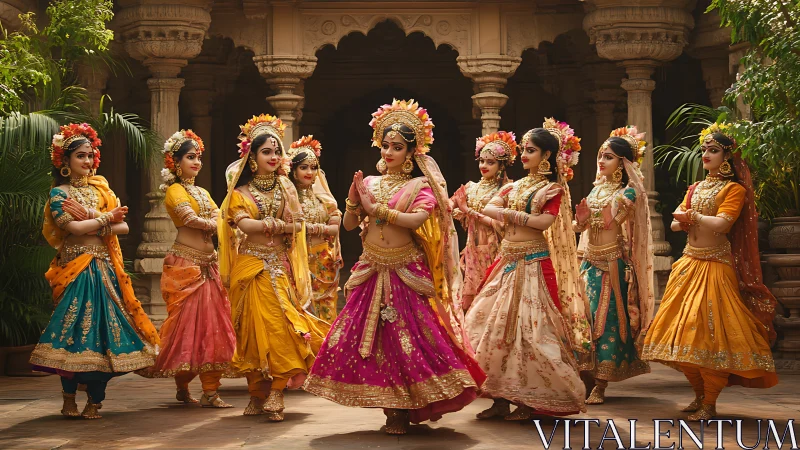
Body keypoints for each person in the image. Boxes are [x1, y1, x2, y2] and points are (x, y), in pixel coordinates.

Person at [303, 99, 486, 435]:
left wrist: (377, 210)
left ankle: (406, 404)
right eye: (384, 145)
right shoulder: (370, 182)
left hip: (406, 270)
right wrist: (353, 202)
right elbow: (347, 225)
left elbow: (417, 219)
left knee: (409, 340)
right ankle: (392, 409)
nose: (388, 152)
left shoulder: (420, 186)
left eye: (397, 147)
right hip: (371, 267)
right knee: (373, 342)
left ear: (412, 152)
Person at [642, 123, 778, 420]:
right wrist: (689, 218)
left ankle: (710, 402)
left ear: (727, 157)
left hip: (715, 267)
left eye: (713, 150)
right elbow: (676, 223)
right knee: (682, 333)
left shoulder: (734, 189)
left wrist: (693, 217)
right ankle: (699, 394)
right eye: (704, 149)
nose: (706, 154)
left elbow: (722, 225)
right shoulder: (695, 188)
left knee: (711, 335)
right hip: (689, 263)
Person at [31, 123, 159, 419]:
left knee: (106, 336)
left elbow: (124, 226)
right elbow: (72, 228)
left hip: (104, 271)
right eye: (80, 156)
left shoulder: (101, 189)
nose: (87, 162)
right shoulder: (59, 193)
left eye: (90, 156)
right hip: (75, 271)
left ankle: (94, 400)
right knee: (71, 334)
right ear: (65, 161)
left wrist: (94, 217)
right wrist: (105, 218)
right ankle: (68, 397)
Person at [465, 119, 589, 421]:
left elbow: (544, 223)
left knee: (531, 332)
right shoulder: (513, 185)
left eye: (530, 150)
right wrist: (519, 215)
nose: (524, 155)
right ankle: (498, 399)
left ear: (546, 156)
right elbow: (489, 209)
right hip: (507, 261)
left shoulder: (552, 189)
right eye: (523, 149)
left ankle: (527, 401)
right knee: (489, 328)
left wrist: (510, 215)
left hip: (534, 263)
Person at [218, 114, 330, 420]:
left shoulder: (285, 186)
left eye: (276, 151)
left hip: (279, 269)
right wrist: (274, 224)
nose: (274, 156)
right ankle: (257, 393)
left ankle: (277, 392)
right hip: (250, 267)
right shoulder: (239, 193)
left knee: (282, 327)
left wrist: (275, 226)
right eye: (266, 151)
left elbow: (297, 224)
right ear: (252, 157)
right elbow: (242, 223)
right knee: (251, 331)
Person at [138, 130, 236, 408]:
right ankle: (182, 384)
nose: (196, 162)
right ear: (175, 162)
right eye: (190, 157)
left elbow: (219, 215)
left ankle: (210, 391)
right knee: (187, 329)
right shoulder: (173, 190)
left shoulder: (202, 191)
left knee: (215, 328)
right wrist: (221, 222)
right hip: (186, 265)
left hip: (210, 265)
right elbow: (190, 219)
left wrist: (223, 221)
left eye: (198, 157)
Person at [573, 126, 654, 404]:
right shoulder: (596, 191)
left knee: (604, 320)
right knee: (583, 316)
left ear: (623, 162)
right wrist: (579, 220)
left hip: (611, 263)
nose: (601, 161)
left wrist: (599, 216)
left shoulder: (629, 192)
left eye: (608, 156)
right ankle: (585, 377)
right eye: (600, 155)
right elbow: (582, 226)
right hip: (588, 260)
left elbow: (612, 222)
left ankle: (601, 383)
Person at [451, 131, 516, 311]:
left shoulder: (509, 189)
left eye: (490, 162)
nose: (484, 165)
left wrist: (468, 211)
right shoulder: (471, 187)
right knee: (469, 302)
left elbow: (503, 224)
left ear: (502, 165)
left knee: (494, 298)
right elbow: (449, 204)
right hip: (473, 249)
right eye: (481, 161)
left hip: (497, 247)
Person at [287, 135, 342, 322]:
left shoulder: (322, 198)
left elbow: (335, 221)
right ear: (293, 170)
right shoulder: (287, 198)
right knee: (300, 304)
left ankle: (325, 347)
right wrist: (323, 228)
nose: (310, 172)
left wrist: (311, 227)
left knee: (326, 306)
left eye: (313, 167)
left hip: (323, 259)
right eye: (303, 167)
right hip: (296, 258)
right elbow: (289, 226)